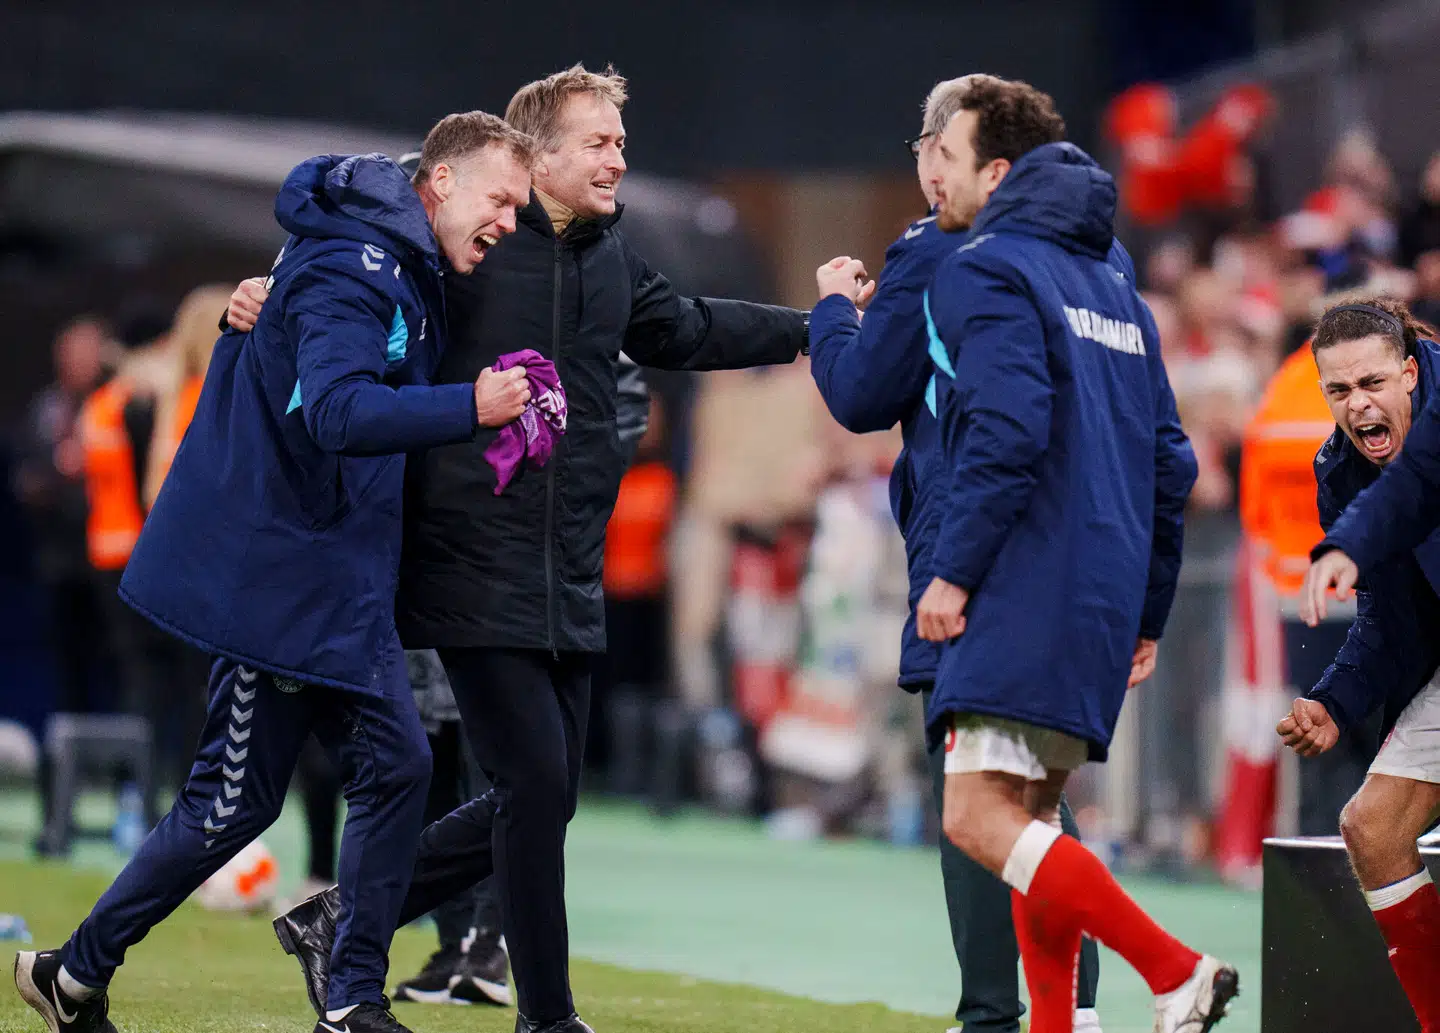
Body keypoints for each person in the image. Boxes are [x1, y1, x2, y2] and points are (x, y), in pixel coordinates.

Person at [238, 64, 812, 1033]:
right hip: (468, 556)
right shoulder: (465, 244)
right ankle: (547, 1017)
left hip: (569, 569)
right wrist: (264, 295)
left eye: (621, 141)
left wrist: (812, 331)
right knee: (535, 787)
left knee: (544, 796)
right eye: (600, 141)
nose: (618, 158)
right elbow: (350, 284)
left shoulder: (612, 255)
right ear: (536, 155)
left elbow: (690, 328)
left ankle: (341, 916)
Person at [13, 110, 537, 1033]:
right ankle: (82, 971)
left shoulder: (383, 257)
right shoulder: (355, 263)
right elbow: (336, 412)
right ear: (443, 181)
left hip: (333, 584)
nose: (508, 222)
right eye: (500, 199)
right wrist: (472, 406)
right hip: (287, 586)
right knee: (238, 801)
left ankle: (340, 992)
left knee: (381, 769)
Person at [908, 75, 1237, 1033]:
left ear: (997, 173)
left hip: (1020, 584)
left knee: (977, 818)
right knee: (1035, 819)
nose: (935, 175)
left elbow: (1006, 433)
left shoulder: (985, 267)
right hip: (1100, 595)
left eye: (948, 155)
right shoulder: (1116, 285)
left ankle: (1174, 968)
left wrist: (952, 571)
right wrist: (1146, 612)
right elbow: (1170, 462)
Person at [808, 75, 1101, 1033]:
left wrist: (833, 312)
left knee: (976, 798)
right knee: (1036, 796)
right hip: (1081, 554)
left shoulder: (942, 251)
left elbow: (862, 394)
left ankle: (993, 1016)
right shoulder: (1101, 260)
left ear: (958, 157)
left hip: (977, 555)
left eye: (934, 150)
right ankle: (1076, 1012)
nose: (929, 171)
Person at [1277, 298, 1440, 1033]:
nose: (1358, 404)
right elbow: (1390, 623)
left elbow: (1415, 484)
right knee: (1372, 828)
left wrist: (1347, 542)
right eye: (1339, 390)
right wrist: (1333, 702)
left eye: (1372, 382)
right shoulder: (1340, 470)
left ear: (1410, 373)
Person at [1240, 340, 1380, 835]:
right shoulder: (1375, 385)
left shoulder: (1281, 391)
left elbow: (1254, 510)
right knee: (1384, 748)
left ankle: (1318, 863)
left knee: (1317, 742)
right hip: (1373, 595)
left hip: (1303, 600)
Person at [15, 318, 107, 853]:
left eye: (90, 352)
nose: (81, 361)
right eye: (73, 352)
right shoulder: (45, 409)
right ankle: (57, 808)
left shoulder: (116, 405)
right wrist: (55, 476)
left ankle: (134, 802)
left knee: (123, 688)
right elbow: (28, 477)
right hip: (59, 571)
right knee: (63, 690)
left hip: (112, 570)